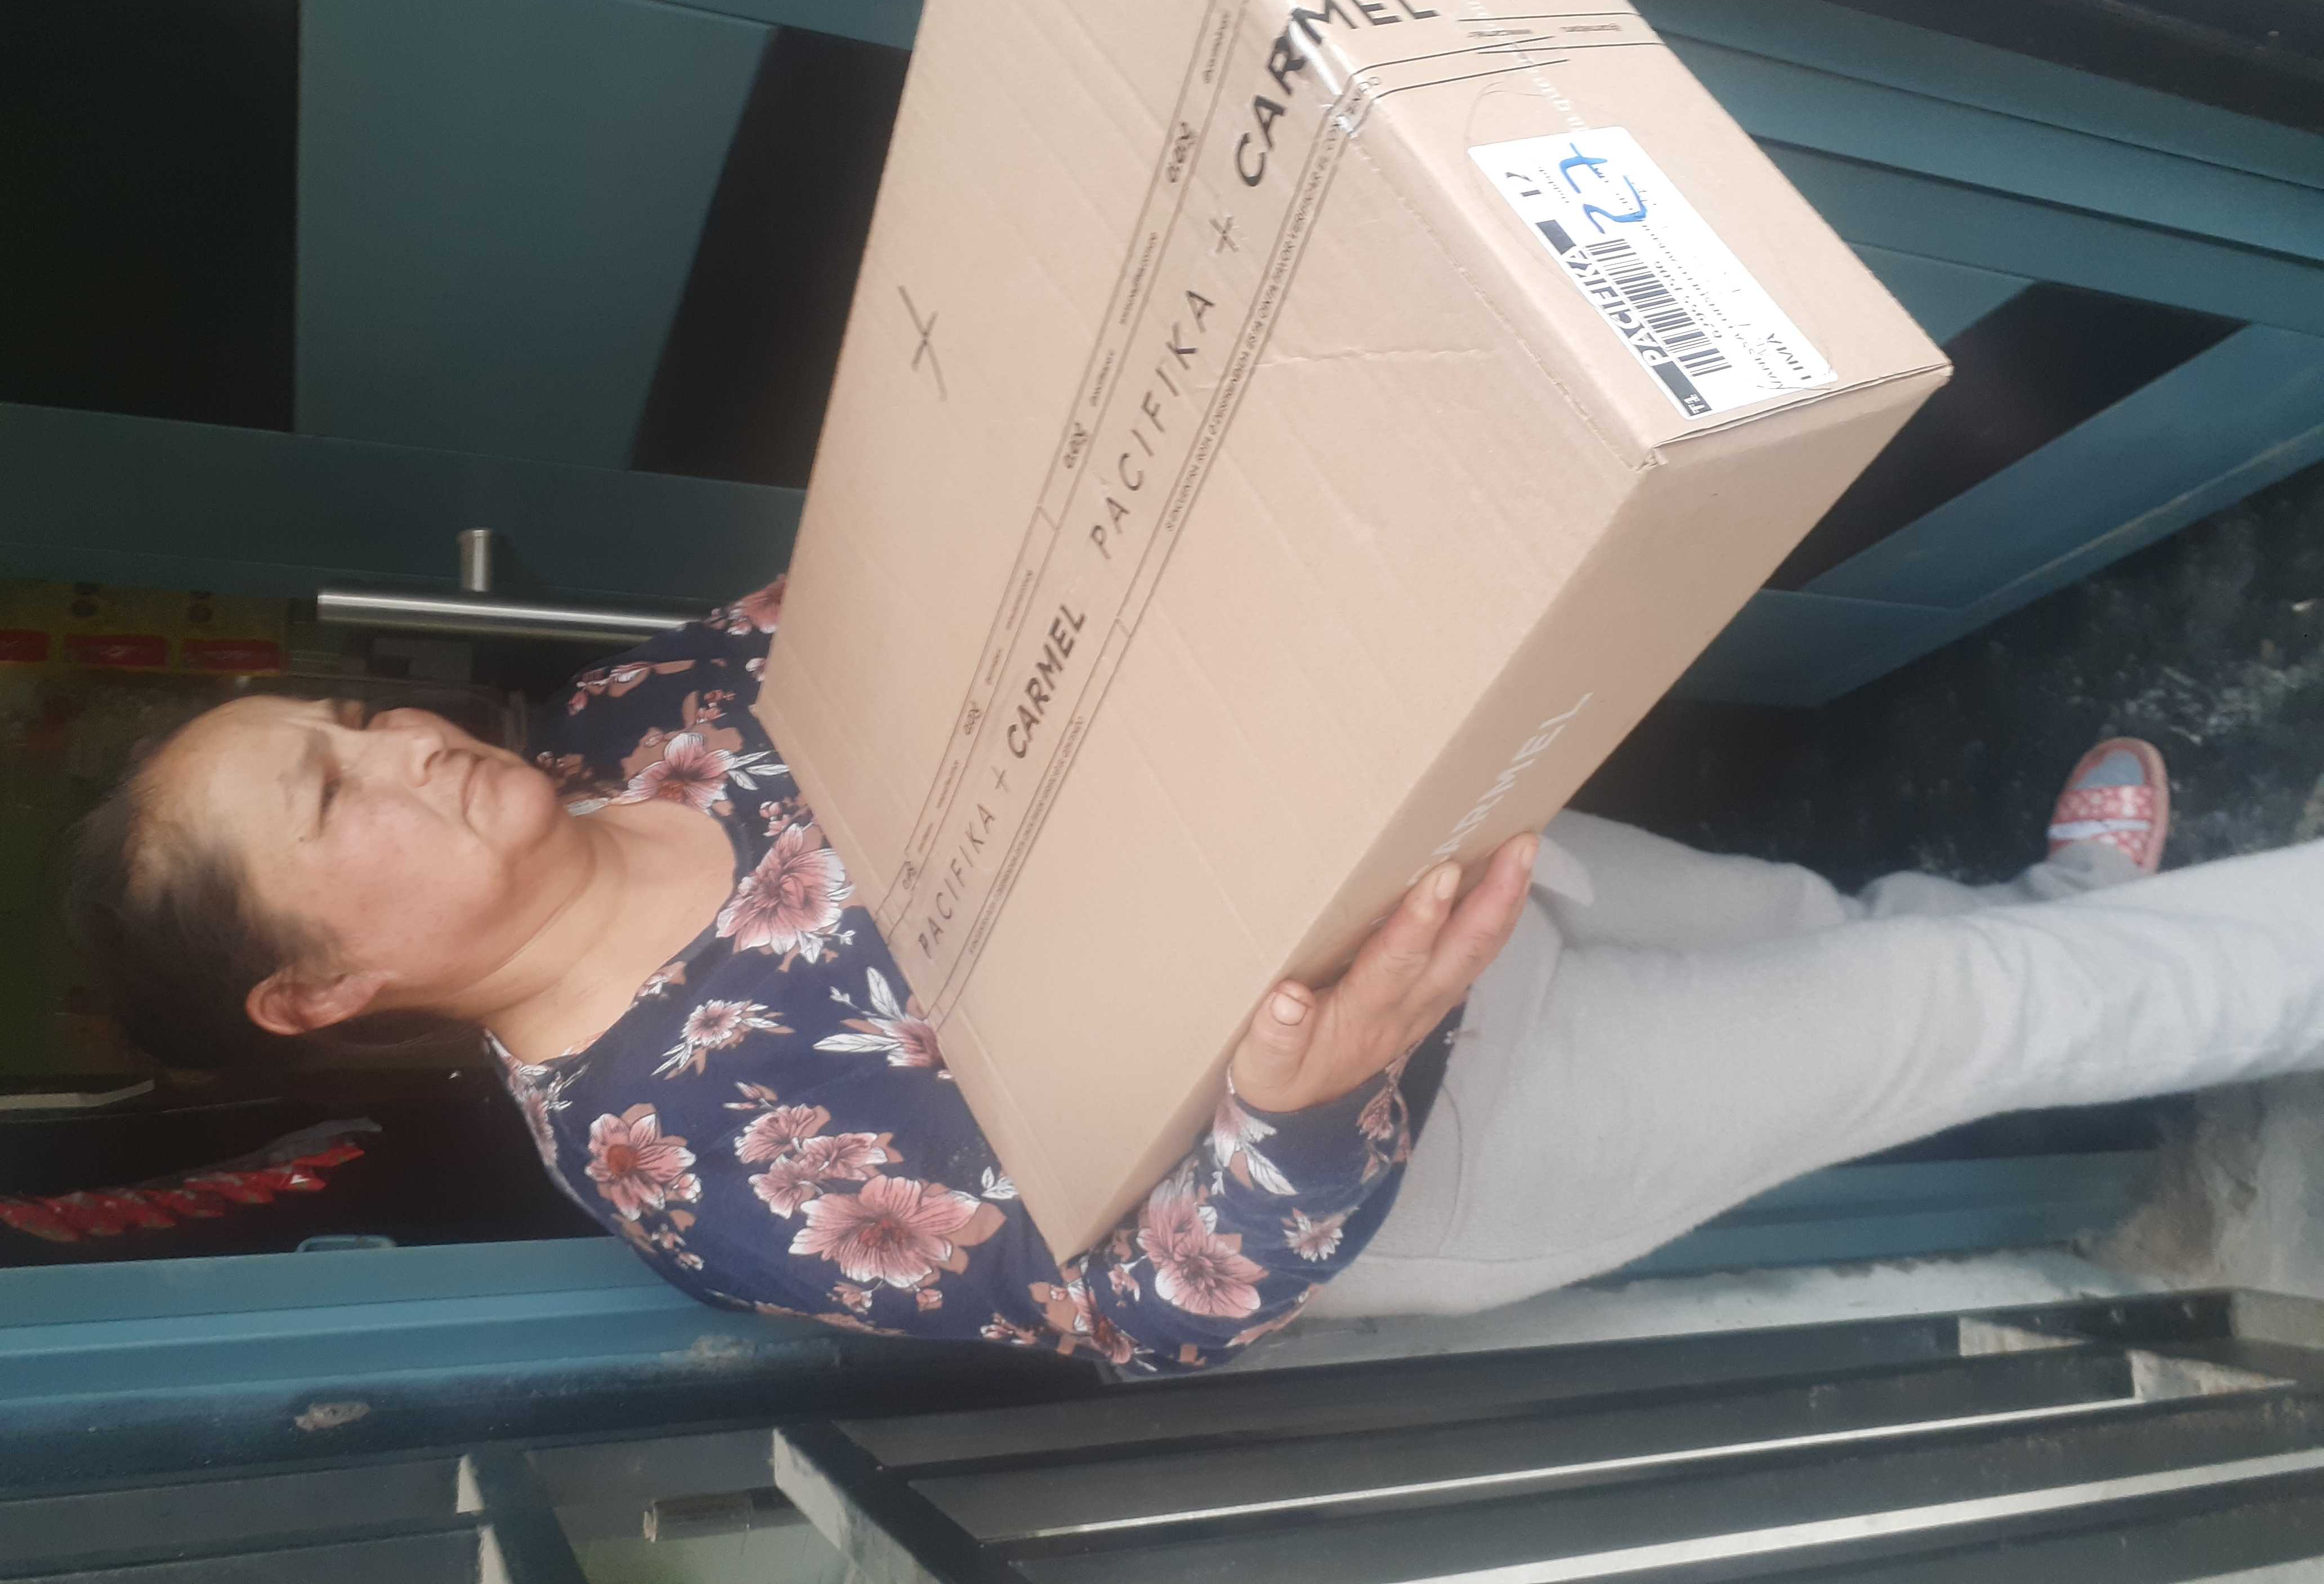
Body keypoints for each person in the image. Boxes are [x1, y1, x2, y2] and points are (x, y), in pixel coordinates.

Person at [64, 580, 2324, 1371]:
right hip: (1440, 1130)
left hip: (1418, 862)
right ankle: (2148, 962)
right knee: (1957, 1033)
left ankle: (2051, 912)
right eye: (333, 801)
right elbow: (1146, 1304)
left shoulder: (638, 716)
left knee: (1813, 927)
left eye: (346, 719)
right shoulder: (685, 1163)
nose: (402, 747)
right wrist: (1302, 1097)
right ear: (314, 995)